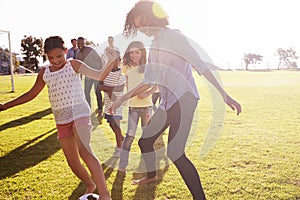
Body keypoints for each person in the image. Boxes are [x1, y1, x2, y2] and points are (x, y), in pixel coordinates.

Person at [110, 1, 242, 200]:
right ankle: (151, 177)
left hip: (184, 98)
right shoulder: (153, 46)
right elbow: (148, 80)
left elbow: (200, 65)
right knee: (145, 141)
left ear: (155, 18)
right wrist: (121, 100)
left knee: (175, 152)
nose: (142, 29)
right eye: (138, 26)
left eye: (144, 23)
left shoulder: (174, 37)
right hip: (167, 102)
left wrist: (224, 94)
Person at [0, 36, 112, 200]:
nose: (56, 60)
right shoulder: (45, 72)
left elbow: (99, 75)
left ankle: (105, 195)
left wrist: (111, 60)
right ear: (46, 56)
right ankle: (90, 185)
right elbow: (31, 94)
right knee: (72, 162)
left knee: (85, 150)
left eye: (59, 56)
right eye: (51, 58)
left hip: (79, 112)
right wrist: (5, 106)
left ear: (66, 51)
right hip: (61, 120)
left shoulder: (73, 64)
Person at [118, 41, 156, 172]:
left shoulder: (148, 67)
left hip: (147, 107)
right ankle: (122, 164)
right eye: (131, 52)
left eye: (137, 52)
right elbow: (126, 83)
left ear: (142, 53)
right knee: (130, 135)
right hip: (133, 107)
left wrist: (148, 92)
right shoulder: (126, 67)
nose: (134, 55)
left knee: (147, 136)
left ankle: (147, 163)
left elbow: (157, 84)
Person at [98, 50, 126, 158]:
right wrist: (110, 90)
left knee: (116, 124)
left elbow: (119, 89)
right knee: (111, 124)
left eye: (114, 60)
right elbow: (99, 86)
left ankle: (119, 148)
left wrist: (106, 88)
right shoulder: (105, 73)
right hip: (108, 104)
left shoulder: (121, 73)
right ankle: (122, 138)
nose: (112, 63)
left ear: (119, 60)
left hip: (118, 103)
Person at [77, 37, 104, 122]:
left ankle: (100, 110)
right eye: (79, 43)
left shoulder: (90, 50)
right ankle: (88, 111)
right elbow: (79, 67)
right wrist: (79, 79)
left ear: (84, 43)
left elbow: (100, 60)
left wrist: (101, 74)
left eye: (82, 43)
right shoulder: (78, 54)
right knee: (86, 93)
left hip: (96, 74)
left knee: (97, 92)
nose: (80, 45)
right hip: (88, 77)